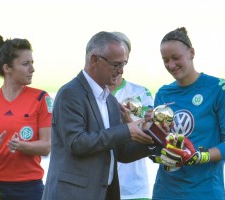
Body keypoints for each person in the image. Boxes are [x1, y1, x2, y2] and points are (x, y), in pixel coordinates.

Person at [42, 31, 163, 200]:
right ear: (94, 60)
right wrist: (127, 130)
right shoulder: (70, 94)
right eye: (116, 65)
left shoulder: (110, 102)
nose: (121, 71)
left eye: (124, 64)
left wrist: (155, 139)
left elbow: (120, 153)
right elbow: (77, 143)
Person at [151, 27, 225, 200]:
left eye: (175, 58)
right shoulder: (163, 93)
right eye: (165, 60)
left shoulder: (219, 89)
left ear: (192, 53)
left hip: (205, 192)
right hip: (165, 192)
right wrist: (150, 139)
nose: (171, 65)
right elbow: (157, 145)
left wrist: (199, 156)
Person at [0, 35, 53, 200]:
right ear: (7, 68)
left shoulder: (42, 98)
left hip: (29, 188)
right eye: (26, 64)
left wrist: (21, 145)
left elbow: (46, 146)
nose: (32, 69)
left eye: (32, 63)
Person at [109, 32, 156, 200]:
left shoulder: (140, 93)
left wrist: (129, 123)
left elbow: (152, 137)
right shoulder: (91, 94)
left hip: (133, 188)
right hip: (98, 186)